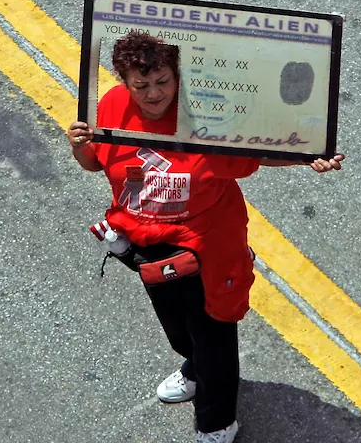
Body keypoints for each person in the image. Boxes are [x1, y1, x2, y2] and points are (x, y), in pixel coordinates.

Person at [67, 32, 344, 443]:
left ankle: (218, 423)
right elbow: (95, 162)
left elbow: (257, 150)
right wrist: (78, 146)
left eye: (163, 81)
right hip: (149, 246)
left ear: (177, 75)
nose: (154, 94)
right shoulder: (109, 106)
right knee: (177, 327)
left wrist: (308, 155)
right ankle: (194, 368)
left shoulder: (209, 115)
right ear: (124, 82)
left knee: (213, 334)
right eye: (141, 86)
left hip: (207, 246)